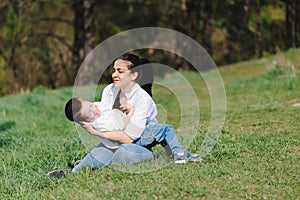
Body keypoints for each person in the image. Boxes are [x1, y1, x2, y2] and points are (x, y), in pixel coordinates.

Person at [47, 53, 200, 178]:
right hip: (116, 138)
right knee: (99, 152)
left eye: (120, 71)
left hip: (139, 138)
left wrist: (95, 132)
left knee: (124, 153)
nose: (114, 74)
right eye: (114, 70)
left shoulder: (141, 98)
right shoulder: (109, 90)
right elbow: (106, 119)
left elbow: (129, 138)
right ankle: (72, 172)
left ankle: (170, 155)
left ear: (133, 75)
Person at [64, 97, 201, 164]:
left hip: (136, 131)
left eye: (91, 105)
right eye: (90, 112)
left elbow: (111, 109)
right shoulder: (100, 122)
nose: (95, 110)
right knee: (166, 130)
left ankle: (177, 153)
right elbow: (124, 127)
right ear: (85, 121)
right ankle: (180, 155)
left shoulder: (97, 108)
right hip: (136, 137)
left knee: (156, 128)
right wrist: (131, 112)